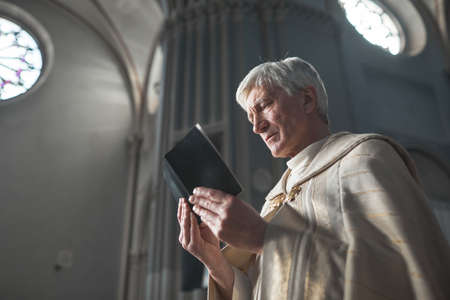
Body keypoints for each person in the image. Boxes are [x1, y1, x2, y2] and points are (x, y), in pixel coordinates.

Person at [176, 57, 450, 299]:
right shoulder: (274, 198)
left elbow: (402, 274)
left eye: (264, 106)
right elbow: (267, 289)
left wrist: (264, 238)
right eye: (251, 119)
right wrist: (215, 262)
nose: (257, 127)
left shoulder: (366, 158)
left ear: (307, 99)